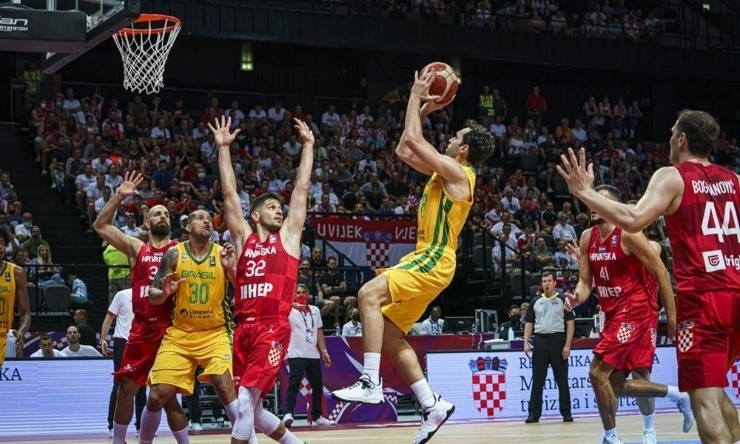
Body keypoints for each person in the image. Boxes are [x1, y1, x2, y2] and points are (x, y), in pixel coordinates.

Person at [332, 68, 495, 444]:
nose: (450, 140)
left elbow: (417, 142)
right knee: (389, 333)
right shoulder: (443, 173)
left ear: (464, 149)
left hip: (435, 257)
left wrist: (416, 97)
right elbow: (405, 147)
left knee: (367, 295)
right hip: (427, 260)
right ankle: (431, 403)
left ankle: (370, 381)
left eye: (455, 137)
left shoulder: (459, 173)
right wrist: (421, 110)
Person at [557, 109, 740, 443]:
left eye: (672, 134)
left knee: (704, 401)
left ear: (682, 139)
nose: (669, 140)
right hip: (735, 295)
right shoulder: (734, 180)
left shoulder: (672, 176)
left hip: (703, 301)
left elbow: (635, 217)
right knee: (712, 391)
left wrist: (585, 192)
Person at [564, 184, 693, 444]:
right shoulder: (588, 237)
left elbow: (662, 272)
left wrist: (672, 317)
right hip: (613, 314)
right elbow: (586, 283)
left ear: (614, 207)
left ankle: (616, 435)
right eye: (591, 202)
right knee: (615, 384)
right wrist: (578, 296)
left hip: (637, 312)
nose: (593, 207)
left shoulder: (630, 234)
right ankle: (678, 396)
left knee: (600, 373)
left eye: (600, 202)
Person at [209, 114, 310, 444]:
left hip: (272, 326)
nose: (279, 211)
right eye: (271, 207)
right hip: (243, 328)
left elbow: (302, 189)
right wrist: (223, 148)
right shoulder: (244, 239)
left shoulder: (289, 238)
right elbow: (228, 193)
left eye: (279, 208)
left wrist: (308, 146)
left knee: (246, 402)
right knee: (249, 408)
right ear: (255, 215)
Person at [92, 170, 187, 444]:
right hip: (141, 329)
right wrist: (120, 197)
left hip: (170, 332)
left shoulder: (180, 250)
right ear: (146, 222)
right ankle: (118, 442)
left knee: (167, 398)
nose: (162, 217)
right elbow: (100, 226)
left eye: (166, 214)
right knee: (126, 390)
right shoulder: (137, 248)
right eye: (157, 214)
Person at [138, 209, 237, 444]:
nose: (207, 222)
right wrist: (164, 293)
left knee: (226, 389)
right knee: (156, 397)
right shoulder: (174, 254)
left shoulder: (222, 252)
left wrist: (231, 268)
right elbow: (152, 295)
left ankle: (249, 440)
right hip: (180, 335)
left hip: (215, 333)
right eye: (200, 218)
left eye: (209, 219)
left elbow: (241, 287)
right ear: (188, 227)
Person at [522, 271, 575, 423]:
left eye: (549, 280)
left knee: (562, 380)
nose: (546, 283)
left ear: (554, 283)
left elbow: (570, 323)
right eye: (544, 281)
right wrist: (526, 342)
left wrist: (567, 345)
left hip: (558, 340)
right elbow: (529, 323)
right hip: (539, 341)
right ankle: (533, 414)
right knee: (538, 379)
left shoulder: (563, 300)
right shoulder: (535, 301)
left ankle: (566, 413)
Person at [282, 284, 335, 427]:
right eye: (297, 293)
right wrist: (291, 304)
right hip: (296, 353)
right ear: (294, 296)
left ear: (308, 294)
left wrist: (324, 351)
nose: (300, 295)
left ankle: (317, 417)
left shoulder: (316, 310)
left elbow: (319, 332)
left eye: (303, 292)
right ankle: (288, 414)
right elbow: (279, 304)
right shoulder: (289, 311)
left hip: (313, 354)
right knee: (294, 384)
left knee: (317, 386)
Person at [100, 288, 147, 437]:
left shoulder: (150, 294)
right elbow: (109, 317)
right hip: (123, 342)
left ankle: (141, 426)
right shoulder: (122, 295)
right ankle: (112, 426)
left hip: (142, 343)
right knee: (119, 385)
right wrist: (103, 339)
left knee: (141, 386)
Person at [0, 227, 30, 366]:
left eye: (2, 243)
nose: (0, 247)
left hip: (4, 336)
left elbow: (26, 313)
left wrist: (21, 331)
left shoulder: (16, 272)